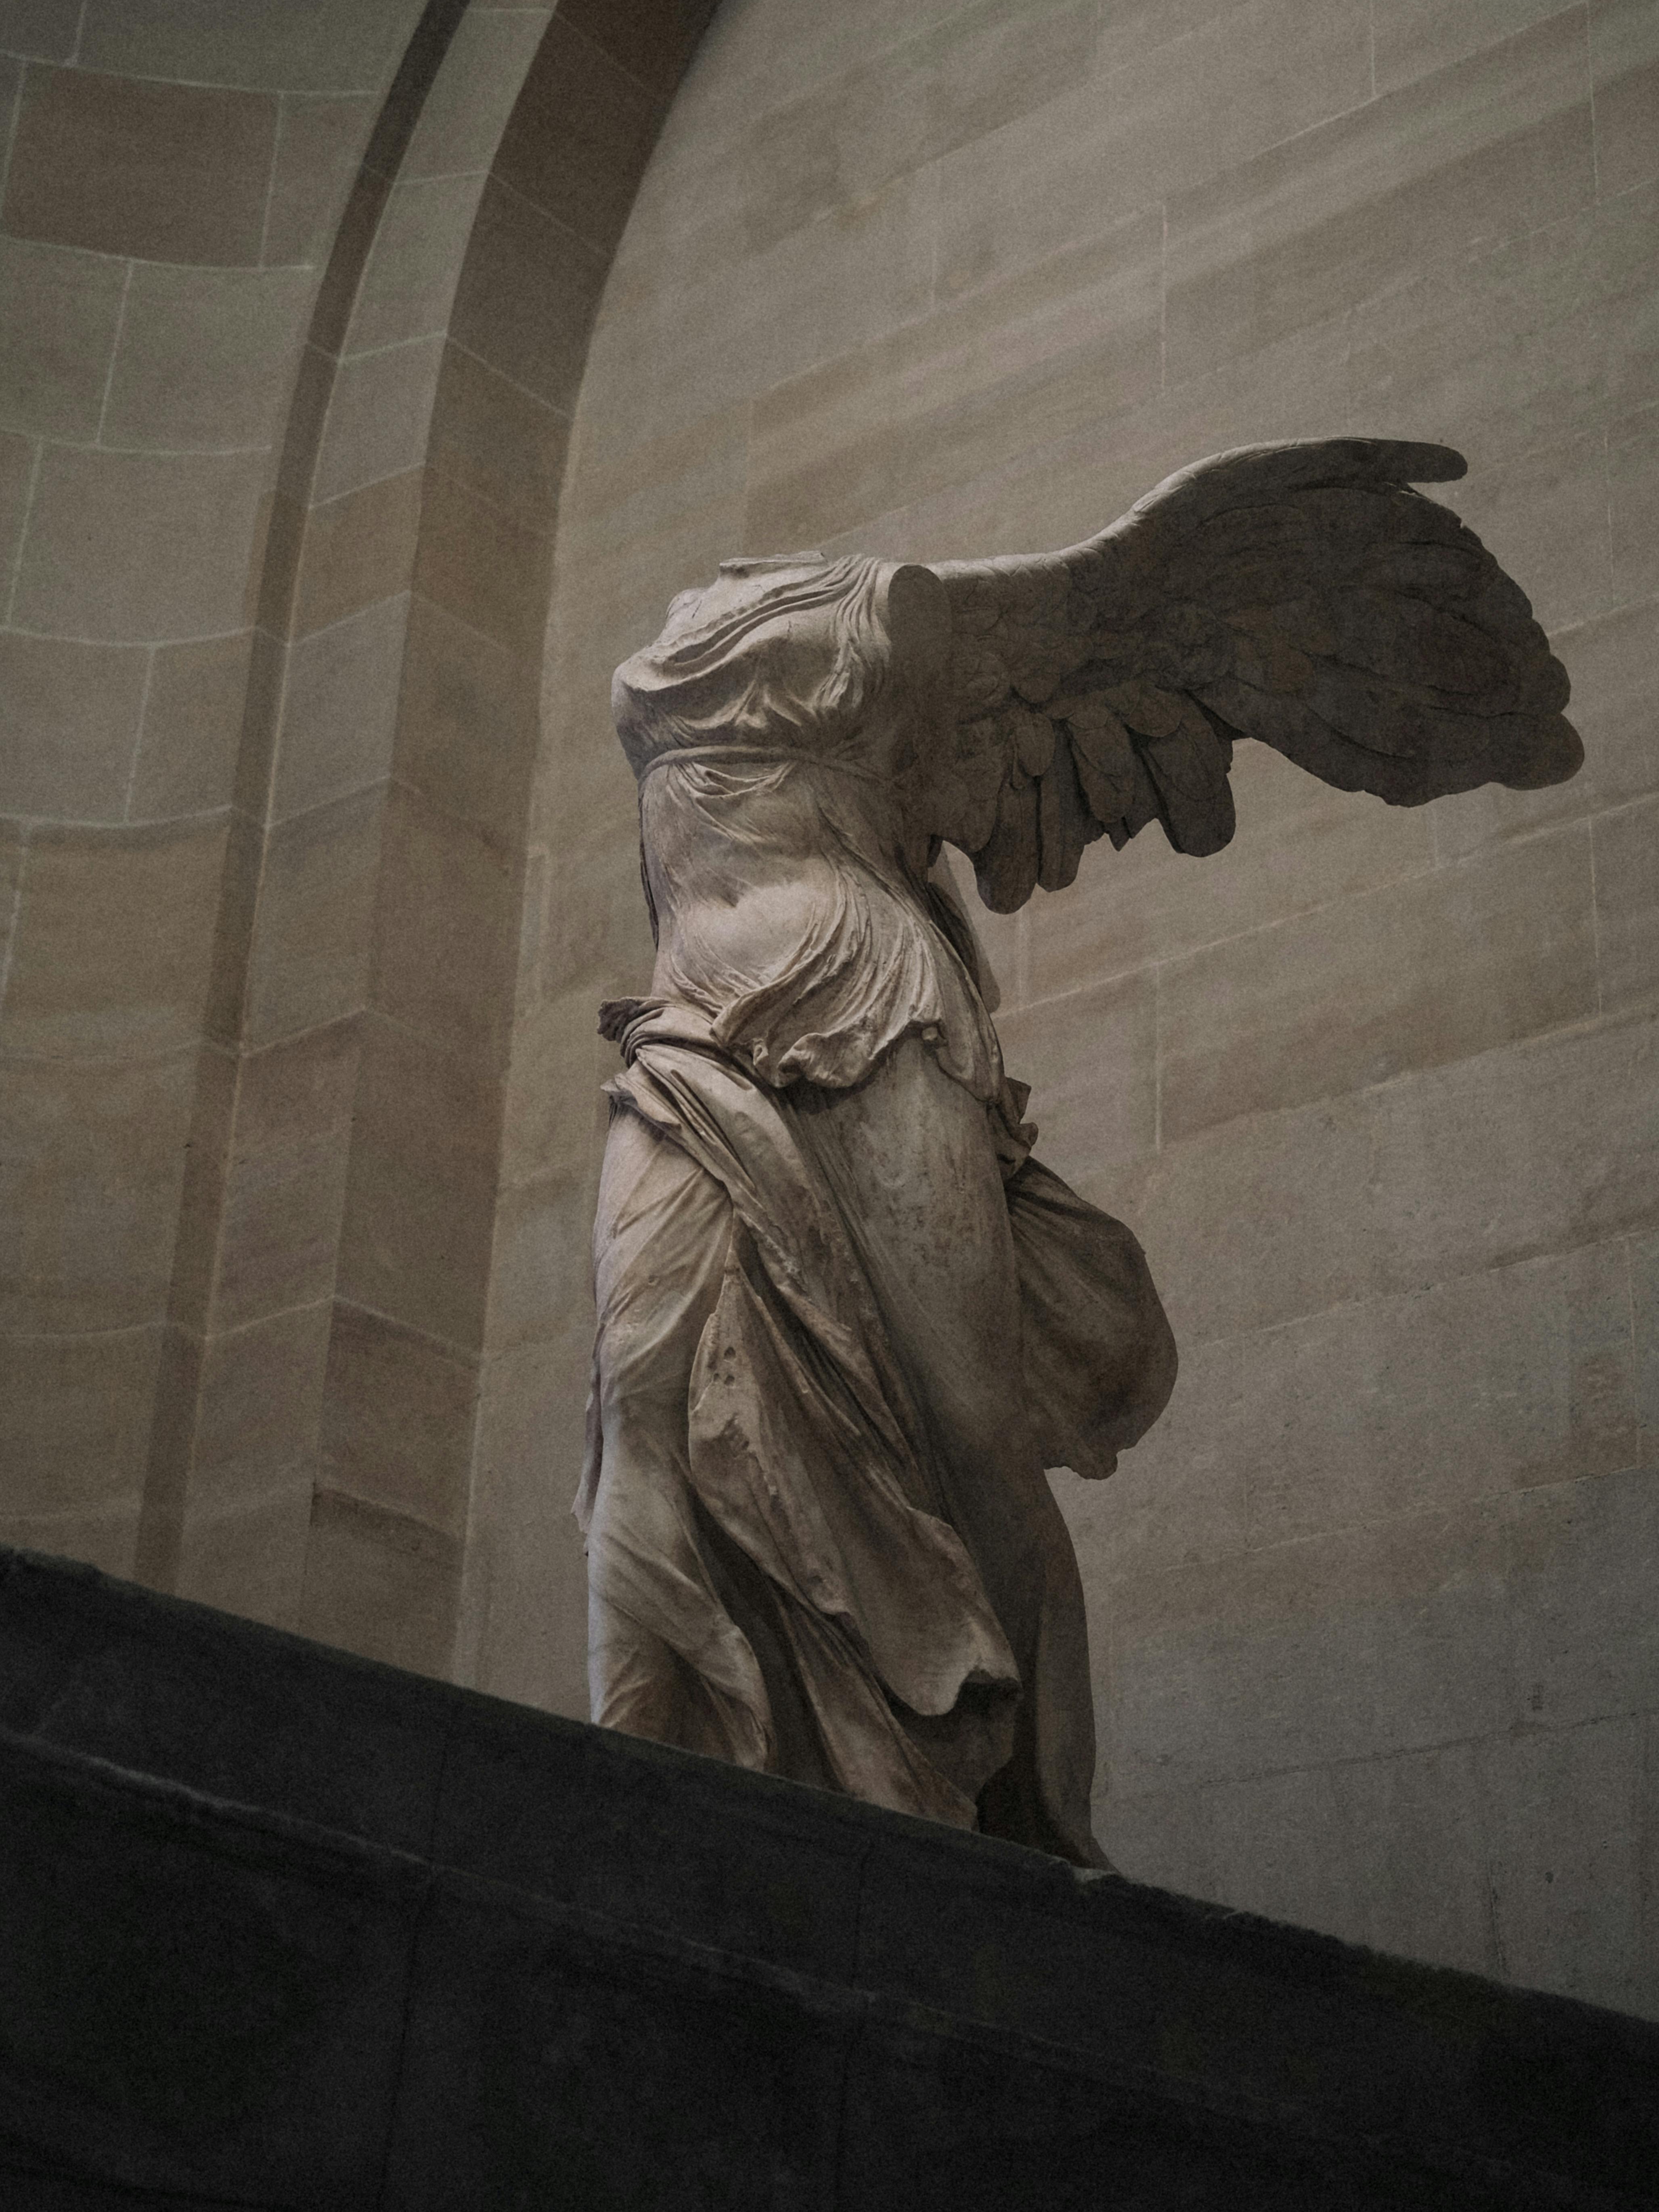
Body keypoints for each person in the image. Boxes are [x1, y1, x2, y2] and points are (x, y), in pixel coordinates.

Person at [574, 441, 1581, 1860]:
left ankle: (1037, 1826)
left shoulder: (891, 617)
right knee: (649, 1410)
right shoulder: (705, 630)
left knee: (973, 1430)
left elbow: (1130, 603)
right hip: (686, 1040)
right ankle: (647, 1795)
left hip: (865, 1006)